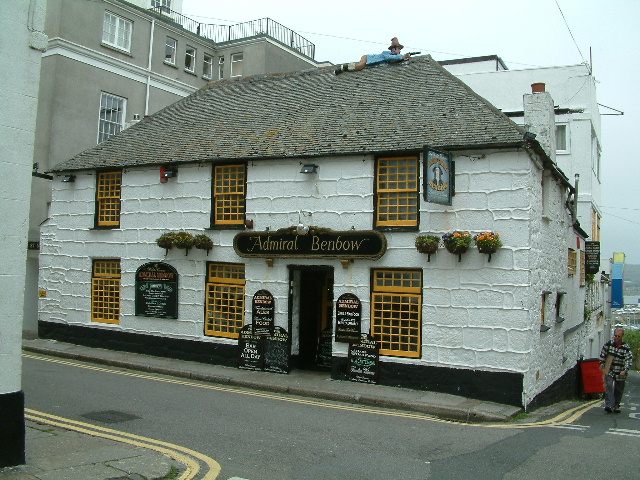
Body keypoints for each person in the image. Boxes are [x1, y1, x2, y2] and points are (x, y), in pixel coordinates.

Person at [334, 37, 411, 75]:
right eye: (398, 49)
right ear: (393, 49)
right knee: (360, 66)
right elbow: (389, 58)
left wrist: (405, 58)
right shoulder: (386, 53)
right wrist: (402, 57)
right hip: (367, 58)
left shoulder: (395, 57)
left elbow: (394, 60)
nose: (399, 51)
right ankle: (343, 67)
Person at [599, 327, 633, 413]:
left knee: (619, 389)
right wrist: (603, 365)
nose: (617, 338)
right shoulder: (608, 344)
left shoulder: (626, 347)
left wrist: (625, 370)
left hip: (620, 371)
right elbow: (603, 355)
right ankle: (609, 405)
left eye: (619, 336)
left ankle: (616, 405)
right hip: (610, 370)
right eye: (615, 336)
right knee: (609, 385)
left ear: (622, 336)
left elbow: (628, 360)